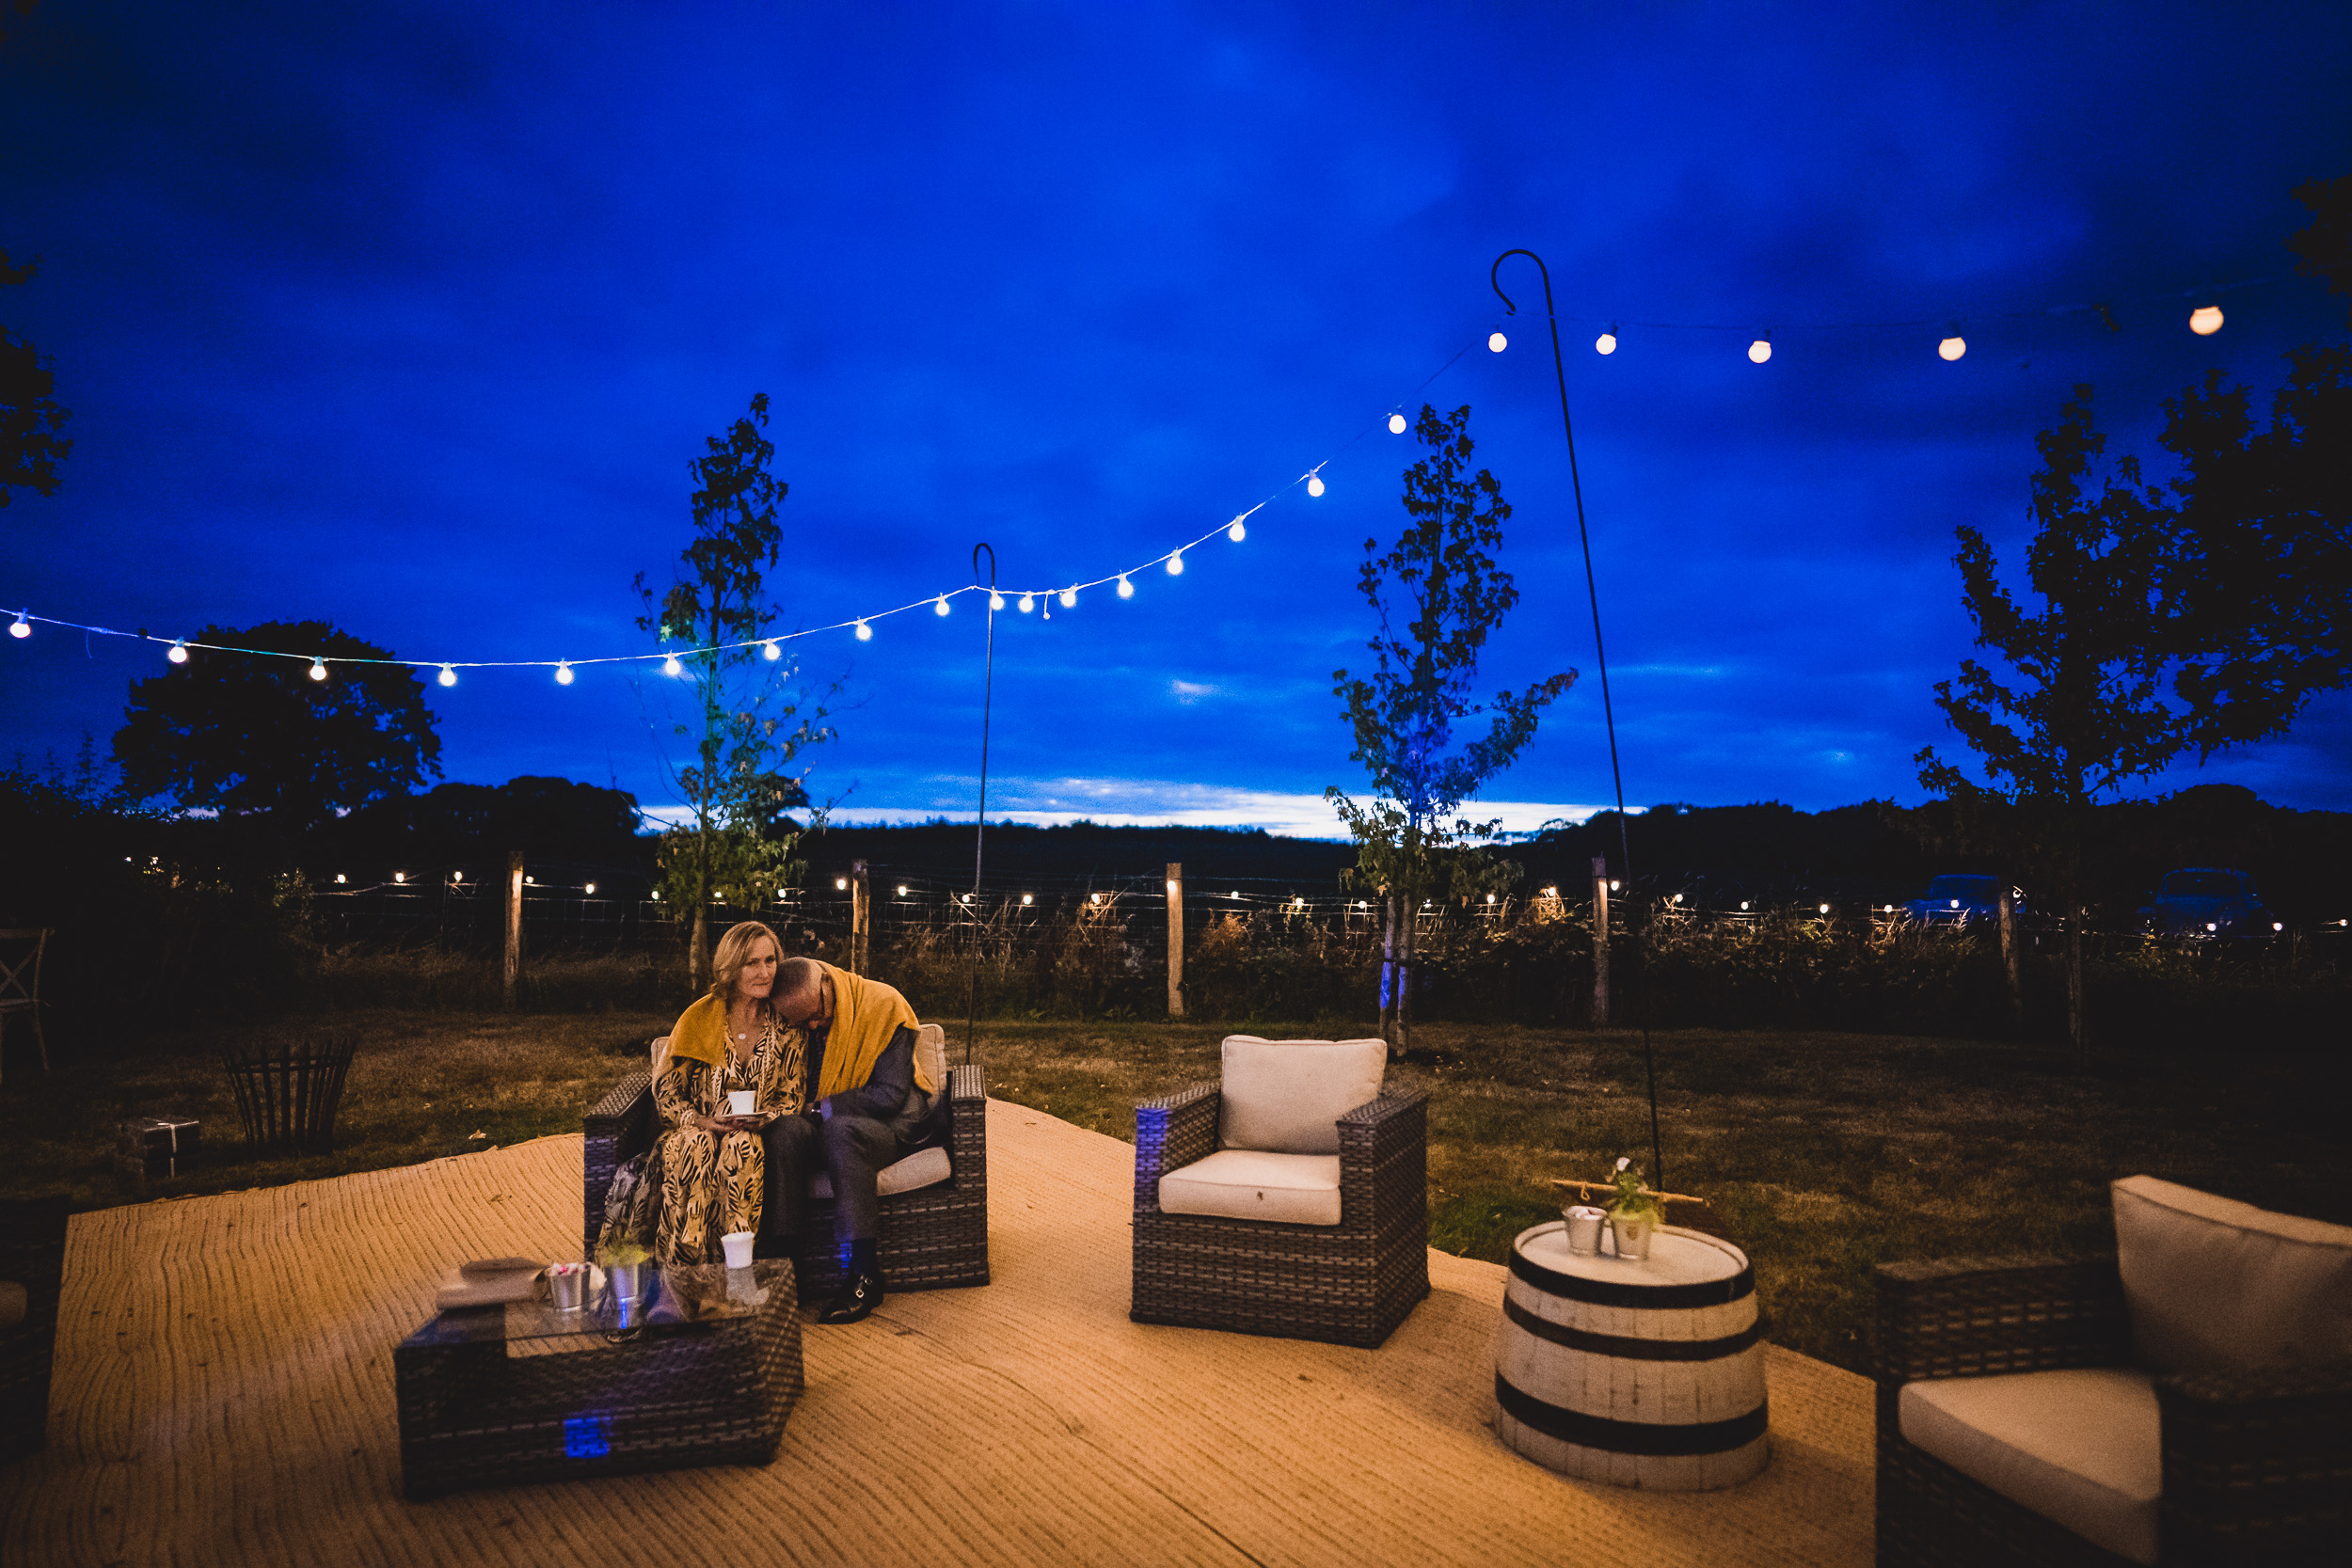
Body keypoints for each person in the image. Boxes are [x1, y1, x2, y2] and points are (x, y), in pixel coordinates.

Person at [759, 956, 940, 1323]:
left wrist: (822, 1108)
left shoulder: (884, 1005)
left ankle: (864, 1274)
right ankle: (784, 1271)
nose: (812, 1026)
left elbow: (889, 1094)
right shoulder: (798, 1019)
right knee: (785, 1132)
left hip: (887, 1126)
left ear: (828, 982)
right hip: (820, 1124)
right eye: (802, 1022)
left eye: (816, 1015)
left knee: (841, 1131)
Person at [652, 921, 807, 1265]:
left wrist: (761, 1118)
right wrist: (702, 1120)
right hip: (696, 1129)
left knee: (742, 1146)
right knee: (696, 1144)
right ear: (731, 968)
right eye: (752, 963)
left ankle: (735, 1275)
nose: (765, 972)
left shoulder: (786, 1025)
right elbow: (667, 1092)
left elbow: (792, 1098)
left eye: (770, 961)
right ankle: (684, 1274)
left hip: (752, 1133)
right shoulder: (699, 1017)